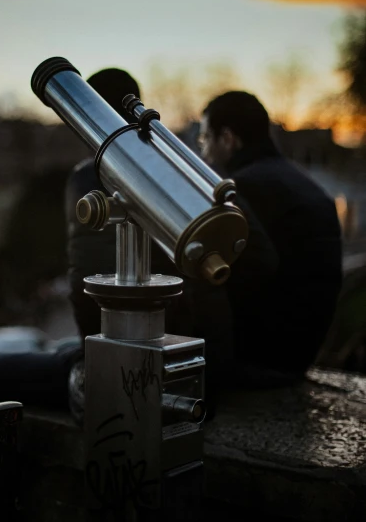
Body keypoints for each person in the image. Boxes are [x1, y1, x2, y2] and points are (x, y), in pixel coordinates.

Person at [65, 69, 281, 400]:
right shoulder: (189, 167)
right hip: (209, 356)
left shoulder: (90, 176)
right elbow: (259, 261)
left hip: (137, 364)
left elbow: (87, 285)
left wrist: (91, 369)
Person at [199, 91, 342, 377]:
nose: (203, 152)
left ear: (227, 138)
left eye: (205, 139)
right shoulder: (301, 182)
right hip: (298, 354)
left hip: (257, 359)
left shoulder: (240, 190)